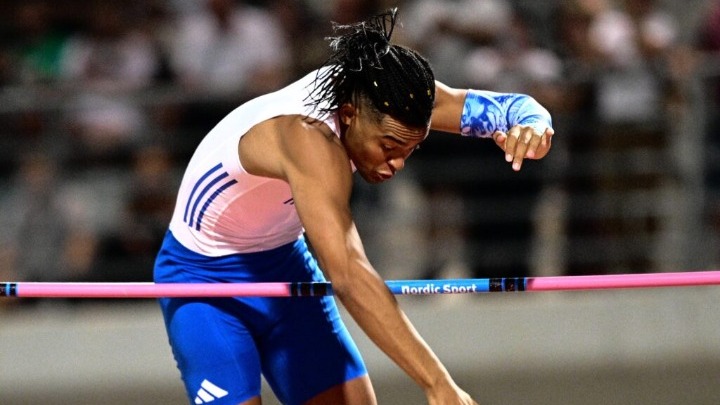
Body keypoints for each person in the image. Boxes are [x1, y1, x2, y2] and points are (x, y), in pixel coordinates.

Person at [154, 8, 553, 405]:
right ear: (348, 115)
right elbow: (348, 272)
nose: (397, 163)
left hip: (284, 263)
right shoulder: (308, 138)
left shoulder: (393, 97)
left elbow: (511, 108)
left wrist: (534, 126)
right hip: (203, 278)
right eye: (389, 147)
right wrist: (437, 382)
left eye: (411, 149)